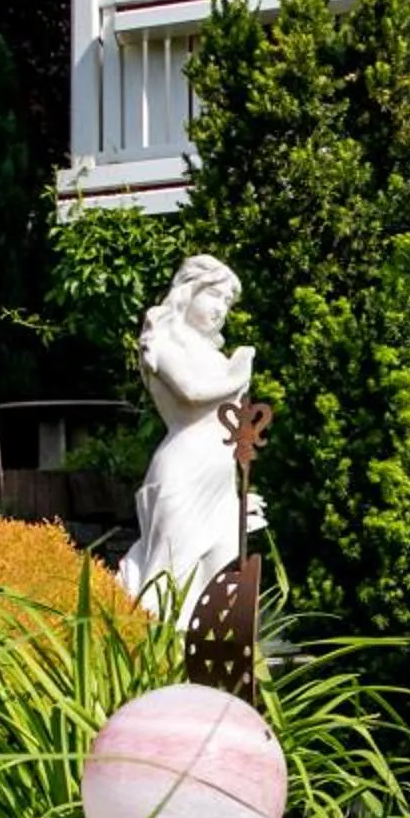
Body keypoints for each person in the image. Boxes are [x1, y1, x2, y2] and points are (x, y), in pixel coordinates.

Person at [117, 256, 258, 622]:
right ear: (189, 291)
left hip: (220, 473)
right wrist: (239, 371)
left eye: (227, 302)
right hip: (184, 468)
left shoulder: (213, 354)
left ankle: (202, 648)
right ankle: (151, 648)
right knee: (170, 573)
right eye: (214, 295)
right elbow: (191, 392)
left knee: (216, 568)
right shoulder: (161, 341)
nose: (221, 309)